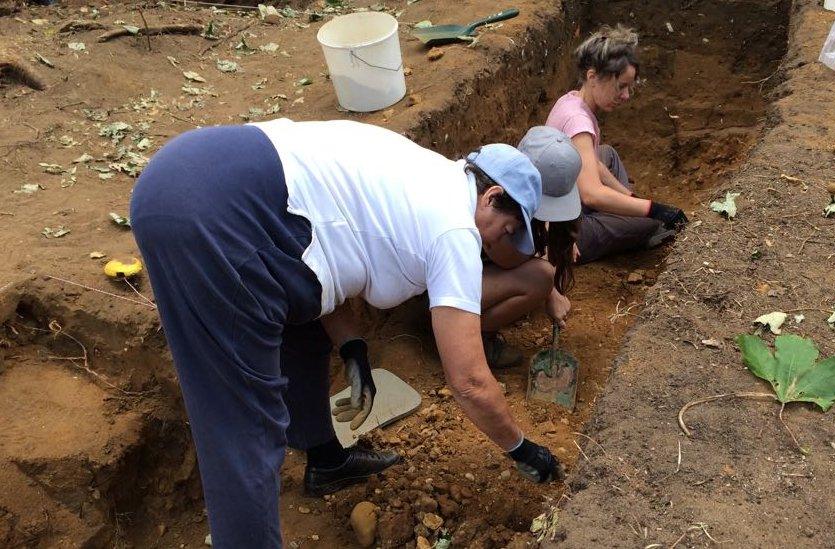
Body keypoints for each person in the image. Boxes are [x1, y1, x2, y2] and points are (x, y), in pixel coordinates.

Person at [129, 118, 563, 549]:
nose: (496, 243)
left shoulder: (425, 172)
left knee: (300, 315)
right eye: (506, 230)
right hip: (212, 213)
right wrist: (520, 447)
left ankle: (324, 459)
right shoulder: (453, 229)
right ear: (492, 196)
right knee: (242, 424)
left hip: (199, 176)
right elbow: (468, 381)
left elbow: (320, 246)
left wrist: (352, 345)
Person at [546, 24, 688, 264]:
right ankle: (636, 233)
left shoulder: (571, 100)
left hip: (563, 199)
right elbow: (591, 194)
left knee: (606, 155)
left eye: (629, 87)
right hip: (562, 230)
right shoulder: (578, 122)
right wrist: (654, 210)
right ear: (592, 76)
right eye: (620, 86)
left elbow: (595, 166)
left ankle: (622, 217)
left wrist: (630, 198)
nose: (626, 95)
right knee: (649, 221)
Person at [479, 126, 582, 368]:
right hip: (447, 292)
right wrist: (551, 293)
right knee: (541, 277)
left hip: (467, 276)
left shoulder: (498, 173)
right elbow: (512, 260)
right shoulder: (499, 212)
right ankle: (473, 337)